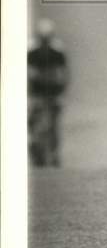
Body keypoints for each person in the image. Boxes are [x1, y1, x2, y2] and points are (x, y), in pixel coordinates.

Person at [27, 19, 69, 167]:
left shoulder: (57, 51)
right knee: (34, 122)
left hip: (53, 92)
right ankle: (35, 149)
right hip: (37, 94)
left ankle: (54, 154)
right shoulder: (32, 51)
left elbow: (63, 73)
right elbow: (28, 73)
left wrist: (60, 91)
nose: (45, 41)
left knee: (54, 124)